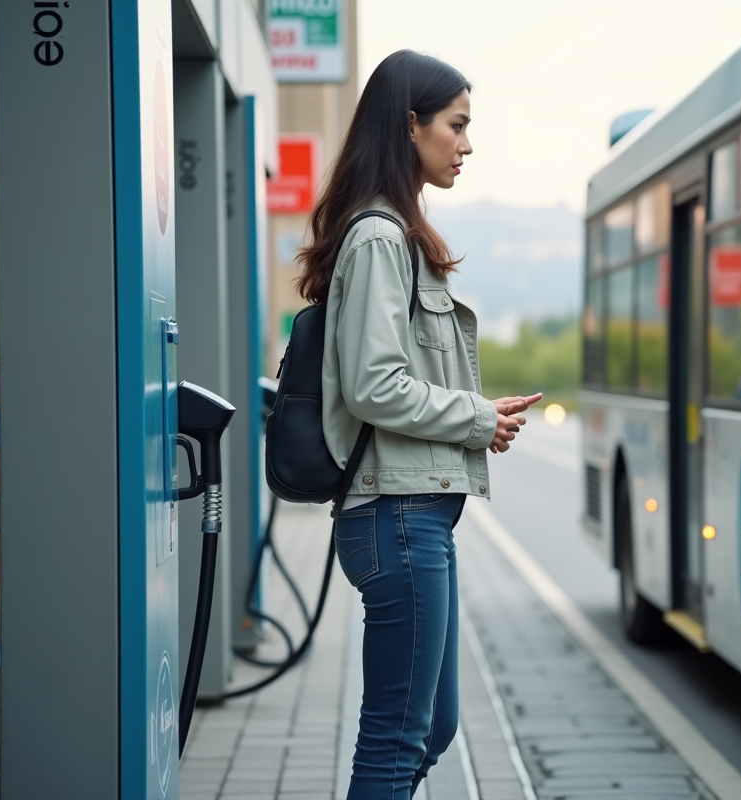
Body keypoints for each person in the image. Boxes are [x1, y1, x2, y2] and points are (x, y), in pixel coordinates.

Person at [295, 51, 540, 799]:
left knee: (430, 729)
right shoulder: (379, 237)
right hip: (396, 516)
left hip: (417, 515)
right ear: (411, 125)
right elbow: (375, 386)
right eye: (456, 126)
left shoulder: (397, 231)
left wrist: (474, 416)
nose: (466, 145)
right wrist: (473, 417)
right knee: (398, 739)